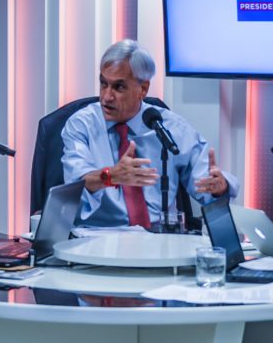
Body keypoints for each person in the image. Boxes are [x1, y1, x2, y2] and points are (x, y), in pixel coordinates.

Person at [62, 39, 238, 227]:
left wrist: (219, 188)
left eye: (119, 87)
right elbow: (76, 185)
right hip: (99, 234)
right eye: (104, 84)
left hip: (160, 235)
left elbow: (206, 184)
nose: (106, 97)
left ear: (143, 89)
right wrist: (110, 176)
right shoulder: (81, 125)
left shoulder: (170, 127)